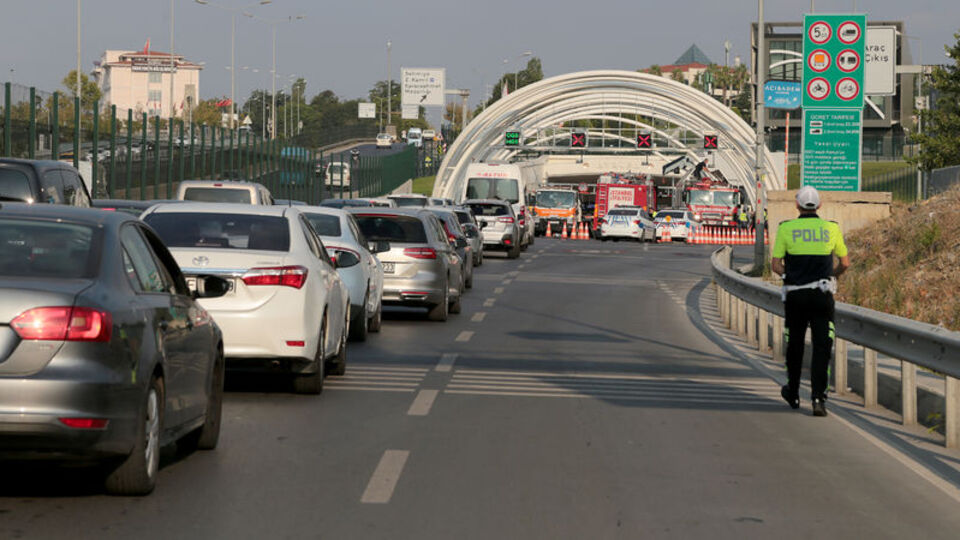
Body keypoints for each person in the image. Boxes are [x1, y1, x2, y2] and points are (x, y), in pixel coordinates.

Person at [771, 186, 850, 417]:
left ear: (797, 205)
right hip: (821, 297)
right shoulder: (831, 229)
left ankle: (793, 391)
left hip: (795, 296)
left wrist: (790, 276)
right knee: (822, 347)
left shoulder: (786, 229)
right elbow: (845, 263)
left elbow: (776, 265)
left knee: (794, 345)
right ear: (819, 205)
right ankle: (818, 398)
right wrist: (831, 276)